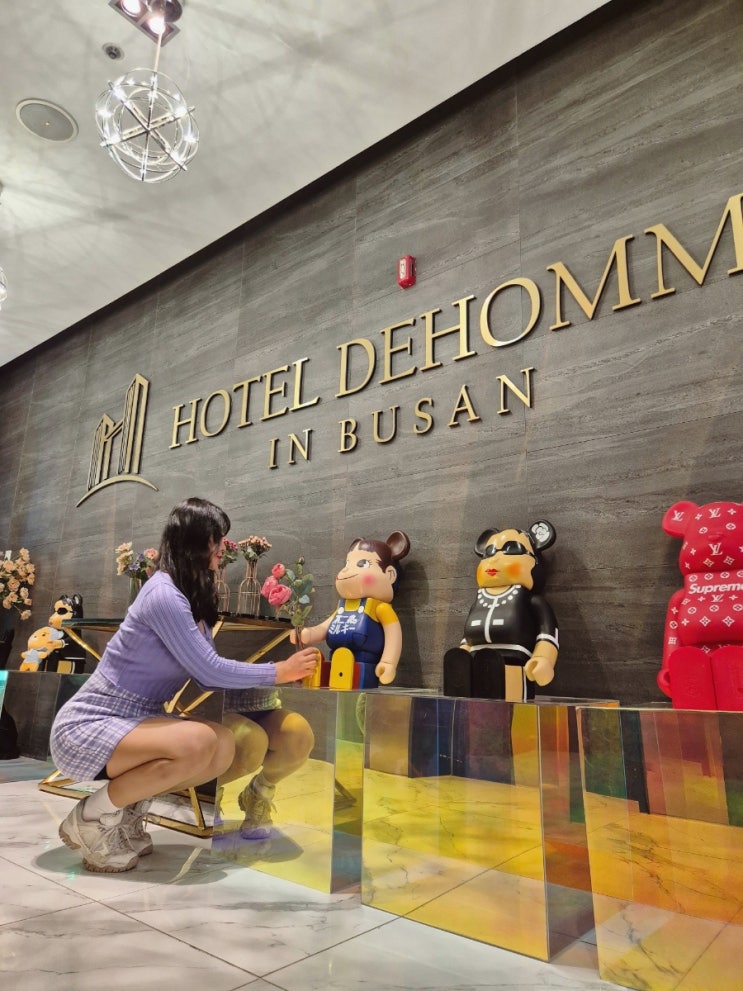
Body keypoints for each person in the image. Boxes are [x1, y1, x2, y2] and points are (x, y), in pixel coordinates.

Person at [49, 497, 319, 874]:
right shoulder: (163, 594)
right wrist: (278, 672)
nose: (223, 547)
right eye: (216, 538)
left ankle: (125, 813)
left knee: (222, 745)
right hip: (90, 725)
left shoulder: (190, 600)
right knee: (202, 741)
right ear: (193, 542)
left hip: (140, 722)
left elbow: (206, 673)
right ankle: (90, 819)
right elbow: (209, 670)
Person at [218, 687, 314, 839]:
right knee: (251, 742)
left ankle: (259, 793)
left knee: (299, 736)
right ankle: (203, 792)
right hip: (213, 706)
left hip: (263, 706)